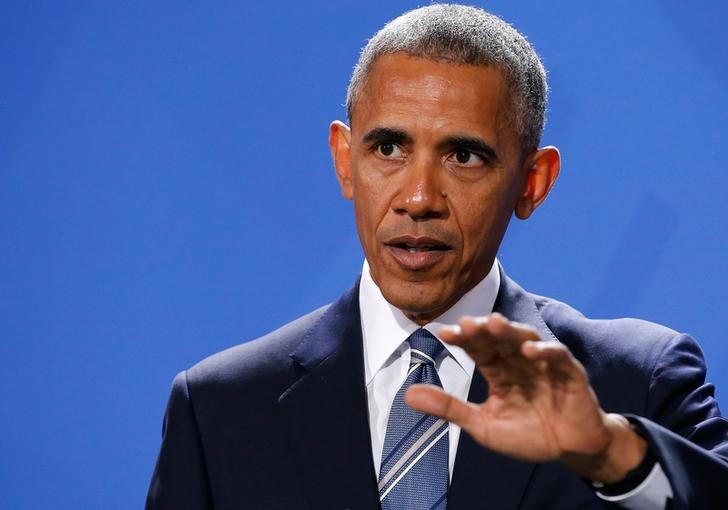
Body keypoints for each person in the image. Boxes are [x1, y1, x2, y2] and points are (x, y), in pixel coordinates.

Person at [146, 5, 728, 509]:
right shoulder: (219, 407)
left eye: (465, 157)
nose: (419, 199)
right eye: (389, 148)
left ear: (533, 182)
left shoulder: (637, 381)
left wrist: (609, 454)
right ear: (345, 160)